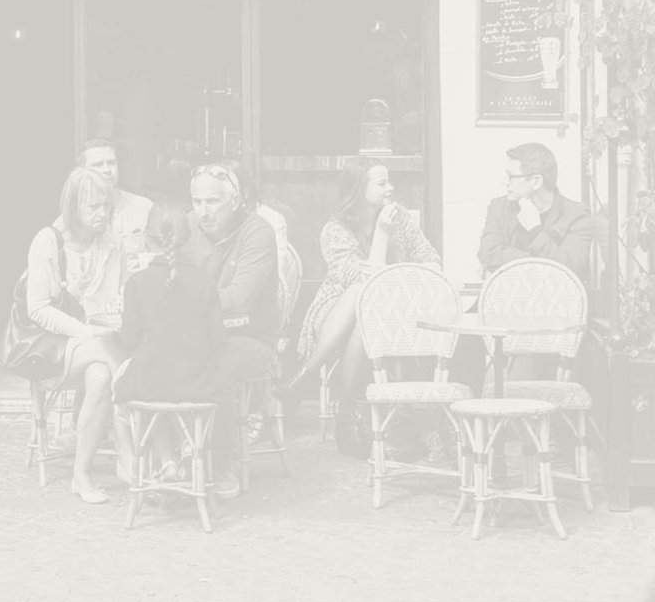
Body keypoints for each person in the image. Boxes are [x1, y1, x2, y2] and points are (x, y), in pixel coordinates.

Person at [282, 159, 440, 453]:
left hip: (389, 312)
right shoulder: (335, 230)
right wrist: (382, 234)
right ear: (359, 189)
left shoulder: (401, 220)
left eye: (389, 181)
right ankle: (352, 417)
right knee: (360, 295)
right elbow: (365, 282)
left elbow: (430, 260)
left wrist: (401, 266)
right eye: (382, 183)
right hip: (335, 314)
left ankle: (321, 390)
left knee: (364, 321)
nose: (390, 188)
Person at [25, 167, 129, 504]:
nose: (102, 214)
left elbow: (120, 294)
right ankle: (130, 453)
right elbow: (37, 308)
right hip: (49, 348)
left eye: (107, 206)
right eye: (94, 207)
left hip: (98, 344)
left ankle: (80, 475)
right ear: (73, 207)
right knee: (118, 363)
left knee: (101, 376)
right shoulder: (47, 242)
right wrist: (86, 333)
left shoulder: (112, 244)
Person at [183, 160, 279, 498]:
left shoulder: (258, 233)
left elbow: (239, 299)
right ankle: (171, 456)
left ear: (235, 201)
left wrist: (182, 298)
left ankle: (222, 460)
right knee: (153, 355)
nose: (203, 211)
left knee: (215, 365)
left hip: (250, 337)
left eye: (213, 202)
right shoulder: (188, 227)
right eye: (197, 202)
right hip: (195, 334)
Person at [113, 203, 227, 478]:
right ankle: (189, 446)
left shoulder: (137, 283)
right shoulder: (205, 282)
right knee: (170, 384)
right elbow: (217, 339)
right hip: (198, 383)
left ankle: (167, 461)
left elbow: (129, 342)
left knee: (126, 386)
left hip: (150, 383)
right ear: (188, 240)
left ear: (147, 239)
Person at [479, 142, 598, 282]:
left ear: (536, 182)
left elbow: (569, 270)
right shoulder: (499, 207)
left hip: (555, 294)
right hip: (508, 292)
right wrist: (537, 261)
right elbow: (488, 254)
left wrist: (535, 230)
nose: (504, 182)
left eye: (511, 177)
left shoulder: (577, 215)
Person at [76, 138, 155, 279]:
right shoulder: (74, 215)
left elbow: (158, 259)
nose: (107, 170)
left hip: (135, 288)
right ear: (82, 172)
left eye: (111, 163)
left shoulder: (144, 208)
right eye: (98, 165)